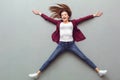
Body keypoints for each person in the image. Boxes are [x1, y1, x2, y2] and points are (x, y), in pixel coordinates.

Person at [29, 3, 107, 79]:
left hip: (71, 45)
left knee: (83, 57)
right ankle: (37, 74)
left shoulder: (73, 22)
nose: (64, 16)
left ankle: (99, 71)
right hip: (61, 45)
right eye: (62, 15)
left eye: (65, 15)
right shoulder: (58, 23)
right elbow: (48, 19)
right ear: (61, 17)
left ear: (68, 16)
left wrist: (94, 15)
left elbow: (83, 19)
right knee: (50, 59)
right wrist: (39, 13)